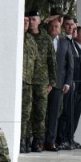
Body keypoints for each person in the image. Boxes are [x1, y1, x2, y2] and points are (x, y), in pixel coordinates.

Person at [44, 11, 73, 152]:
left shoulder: (64, 43)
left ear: (60, 28)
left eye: (56, 26)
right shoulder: (43, 39)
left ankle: (51, 141)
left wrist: (67, 83)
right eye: (51, 26)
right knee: (41, 113)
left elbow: (70, 65)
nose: (53, 28)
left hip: (59, 84)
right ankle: (39, 141)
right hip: (43, 83)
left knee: (54, 114)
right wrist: (47, 19)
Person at [28, 9, 56, 153]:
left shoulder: (46, 39)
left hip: (42, 81)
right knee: (27, 112)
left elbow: (52, 60)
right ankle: (25, 139)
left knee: (40, 113)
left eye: (34, 19)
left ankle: (38, 141)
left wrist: (52, 82)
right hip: (27, 80)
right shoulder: (24, 37)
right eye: (30, 19)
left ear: (39, 21)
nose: (32, 22)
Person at [56, 15, 79, 150]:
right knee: (62, 113)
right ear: (63, 26)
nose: (70, 27)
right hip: (62, 82)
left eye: (72, 25)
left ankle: (66, 138)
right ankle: (60, 139)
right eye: (68, 24)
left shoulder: (70, 41)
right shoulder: (62, 41)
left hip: (70, 83)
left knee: (68, 113)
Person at [20, 12, 38, 153]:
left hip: (29, 82)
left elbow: (36, 62)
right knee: (17, 113)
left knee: (26, 113)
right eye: (24, 20)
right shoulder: (16, 37)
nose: (26, 23)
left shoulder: (32, 40)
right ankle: (19, 140)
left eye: (28, 21)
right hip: (17, 81)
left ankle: (25, 139)